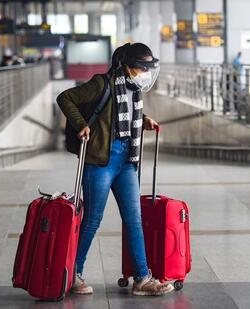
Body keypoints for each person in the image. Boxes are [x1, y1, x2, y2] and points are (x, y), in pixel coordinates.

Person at [57, 43, 173, 296]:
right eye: (141, 68)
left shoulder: (133, 89)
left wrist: (143, 121)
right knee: (92, 221)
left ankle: (142, 279)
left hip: (126, 163)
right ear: (127, 66)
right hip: (100, 161)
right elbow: (65, 98)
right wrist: (80, 125)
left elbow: (123, 115)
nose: (144, 73)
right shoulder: (103, 83)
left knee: (134, 219)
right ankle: (74, 274)